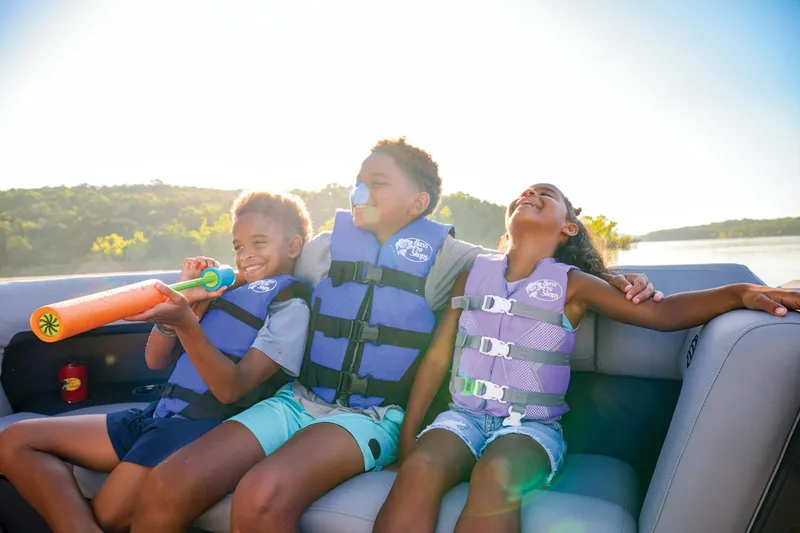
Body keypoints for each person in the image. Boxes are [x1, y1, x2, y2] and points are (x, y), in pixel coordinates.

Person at [128, 138, 661, 533]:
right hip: (297, 399)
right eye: (358, 180)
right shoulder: (323, 250)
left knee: (260, 496)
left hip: (372, 415)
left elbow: (530, 268)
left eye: (378, 183)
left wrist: (617, 280)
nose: (361, 190)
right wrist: (205, 281)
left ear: (419, 203)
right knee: (167, 485)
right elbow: (258, 262)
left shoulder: (455, 259)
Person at [372, 183, 800, 533]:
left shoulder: (575, 284)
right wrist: (410, 441)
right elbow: (435, 360)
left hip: (529, 429)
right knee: (423, 465)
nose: (530, 194)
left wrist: (737, 292)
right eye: (524, 191)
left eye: (546, 194)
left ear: (568, 229)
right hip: (459, 419)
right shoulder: (470, 275)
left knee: (499, 474)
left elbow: (660, 314)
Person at [0, 190, 313, 533]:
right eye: (238, 246)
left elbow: (230, 390)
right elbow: (155, 359)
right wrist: (184, 304)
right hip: (158, 414)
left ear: (294, 246)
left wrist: (186, 322)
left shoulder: (290, 307)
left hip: (197, 428)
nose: (246, 255)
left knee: (106, 517)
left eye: (259, 242)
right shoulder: (226, 292)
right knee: (15, 440)